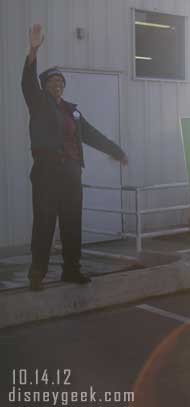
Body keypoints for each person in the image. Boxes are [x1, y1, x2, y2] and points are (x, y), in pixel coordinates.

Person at [22, 24, 128, 291]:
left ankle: (71, 269)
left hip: (71, 174)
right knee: (45, 222)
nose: (57, 85)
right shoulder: (38, 103)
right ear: (45, 86)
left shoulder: (73, 112)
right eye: (52, 81)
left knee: (71, 222)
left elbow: (92, 135)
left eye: (60, 82)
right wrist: (33, 50)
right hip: (47, 172)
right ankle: (37, 273)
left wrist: (116, 151)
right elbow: (27, 83)